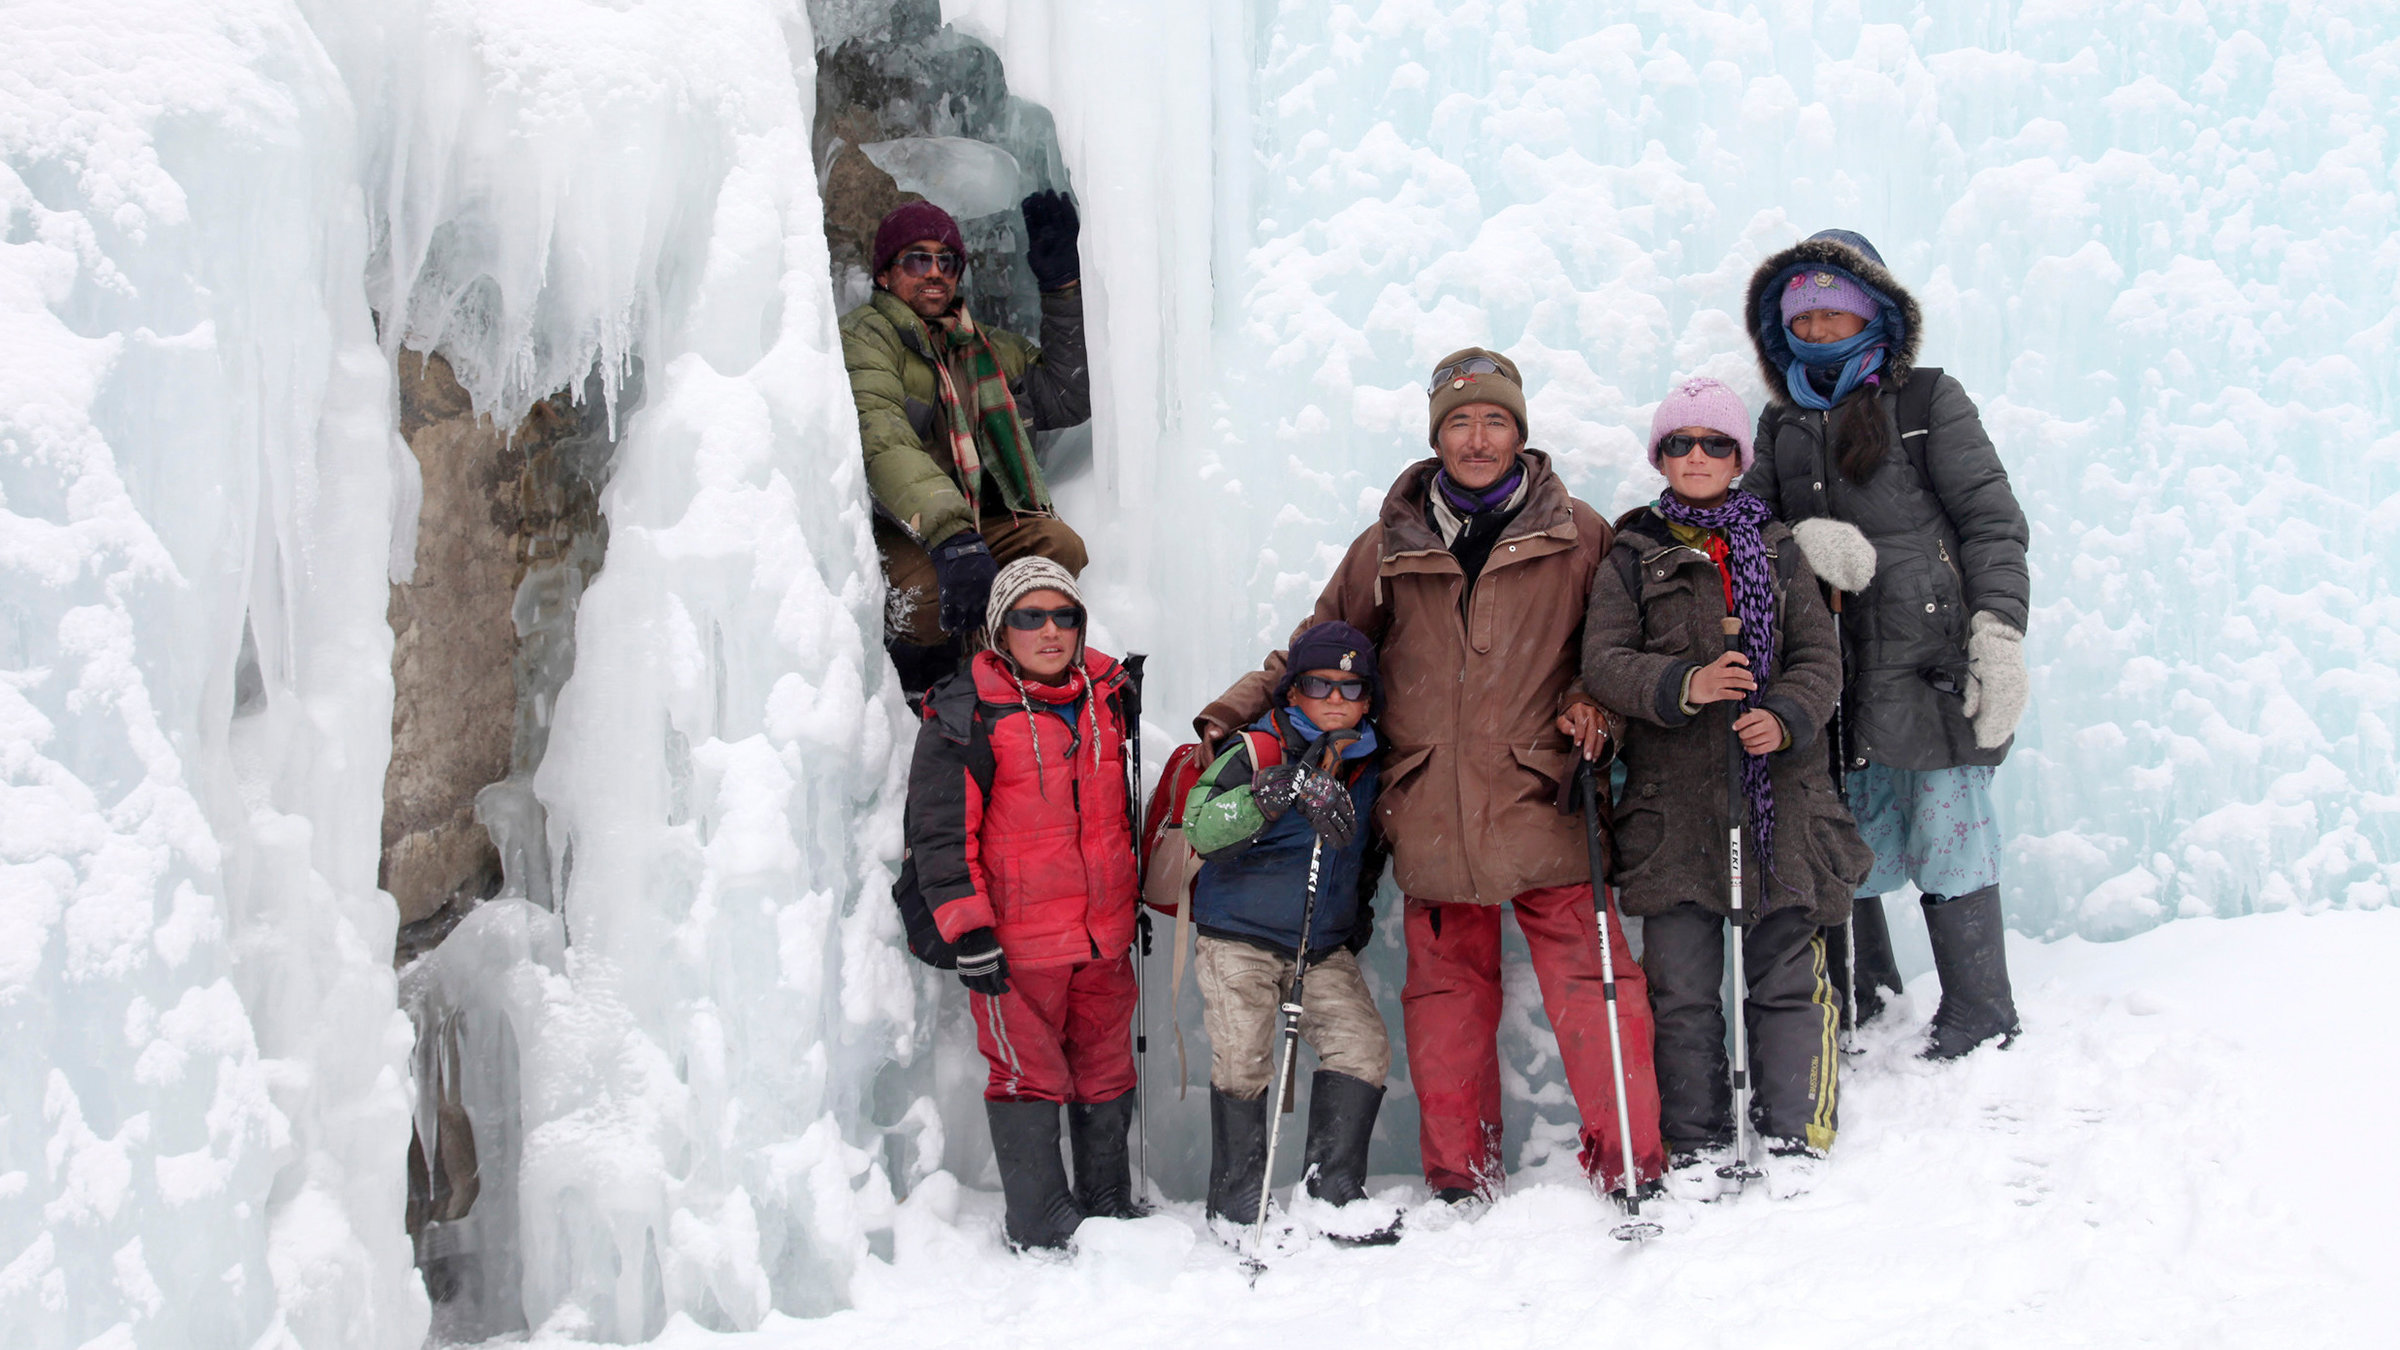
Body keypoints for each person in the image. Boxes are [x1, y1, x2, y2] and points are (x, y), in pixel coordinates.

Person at [1196, 348, 1666, 1209]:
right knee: (1446, 1006)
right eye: (1459, 422)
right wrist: (1234, 712)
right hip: (1432, 809)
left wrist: (1590, 700)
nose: (1477, 438)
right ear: (1437, 436)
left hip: (1546, 800)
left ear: (1519, 431)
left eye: (1493, 420)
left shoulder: (1582, 534)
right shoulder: (1390, 544)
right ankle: (1460, 1180)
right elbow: (1319, 646)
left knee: (1597, 991)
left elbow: (1614, 653)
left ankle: (1629, 1161)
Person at [1582, 376, 1876, 1200]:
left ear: (1739, 456)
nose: (1698, 457)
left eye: (1715, 444)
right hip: (1674, 811)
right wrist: (1686, 684)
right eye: (1681, 444)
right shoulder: (1634, 556)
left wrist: (1782, 715)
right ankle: (1698, 1136)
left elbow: (1822, 661)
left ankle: (1793, 1132)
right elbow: (1603, 662)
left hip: (1778, 802)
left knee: (1784, 970)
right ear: (1661, 457)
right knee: (1679, 986)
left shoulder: (1779, 551)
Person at [1742, 229, 2032, 1059]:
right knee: (1841, 822)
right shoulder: (1783, 421)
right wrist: (1798, 543)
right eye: (1806, 314)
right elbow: (1749, 525)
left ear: (1876, 313)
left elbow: (1991, 522)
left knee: (1950, 821)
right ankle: (1866, 992)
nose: (1823, 327)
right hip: (1835, 657)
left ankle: (1980, 1010)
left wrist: (1999, 633)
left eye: (1838, 311)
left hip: (1929, 650)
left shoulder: (1928, 401)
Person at [900, 558, 1140, 1251]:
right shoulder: (965, 709)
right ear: (1001, 628)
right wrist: (968, 929)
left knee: (1106, 1067)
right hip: (1016, 944)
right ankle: (1038, 1219)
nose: (1050, 631)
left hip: (1102, 936)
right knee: (1028, 1073)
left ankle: (1107, 1201)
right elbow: (942, 833)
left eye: (1063, 615)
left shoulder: (1106, 692)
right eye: (1030, 617)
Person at [1180, 621, 1394, 1241]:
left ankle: (1331, 1192)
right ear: (1292, 692)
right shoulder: (1255, 748)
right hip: (1236, 938)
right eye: (1317, 685)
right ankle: (1237, 1204)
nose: (1334, 698)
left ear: (1368, 697)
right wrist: (1266, 798)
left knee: (1362, 1048)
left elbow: (1367, 855)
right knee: (1244, 1060)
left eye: (1350, 687)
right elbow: (1201, 827)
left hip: (1318, 945)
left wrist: (1353, 919)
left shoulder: (1368, 760)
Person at [843, 194, 1091, 698]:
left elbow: (1066, 397)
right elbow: (882, 434)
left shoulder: (985, 347)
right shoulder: (868, 336)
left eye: (947, 260)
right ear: (886, 274)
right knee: (924, 598)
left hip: (982, 523)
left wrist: (1061, 285)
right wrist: (952, 537)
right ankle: (921, 683)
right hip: (905, 526)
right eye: (917, 259)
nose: (935, 272)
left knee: (1060, 546)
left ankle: (1013, 674)